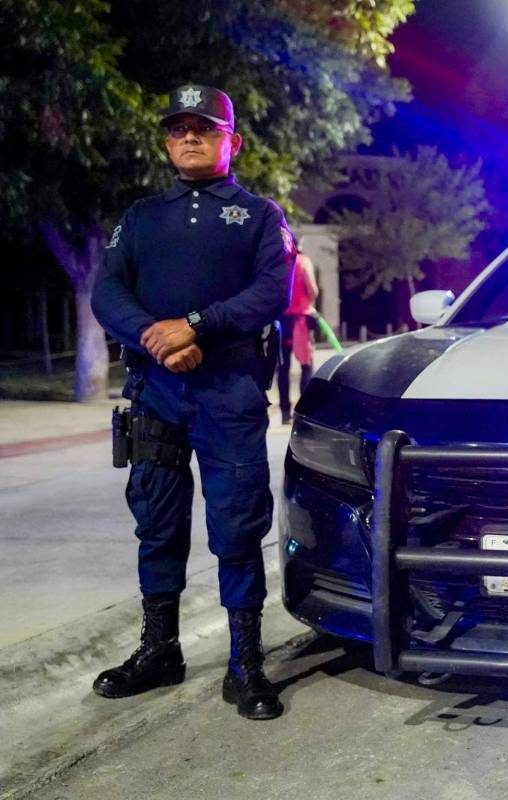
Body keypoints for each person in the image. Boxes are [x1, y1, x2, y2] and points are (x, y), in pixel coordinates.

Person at [90, 84, 293, 720]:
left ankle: (245, 660)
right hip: (157, 390)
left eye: (204, 128)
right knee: (156, 521)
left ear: (232, 141)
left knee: (236, 525)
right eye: (178, 129)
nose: (190, 138)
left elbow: (270, 294)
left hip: (229, 393)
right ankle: (160, 651)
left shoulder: (260, 215)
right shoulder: (143, 216)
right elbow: (108, 293)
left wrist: (196, 326)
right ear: (167, 142)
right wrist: (159, 339)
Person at [278, 243, 318, 424]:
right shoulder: (303, 262)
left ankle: (285, 413)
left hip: (282, 320)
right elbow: (313, 289)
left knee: (283, 369)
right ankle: (304, 412)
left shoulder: (279, 264)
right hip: (300, 319)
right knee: (306, 365)